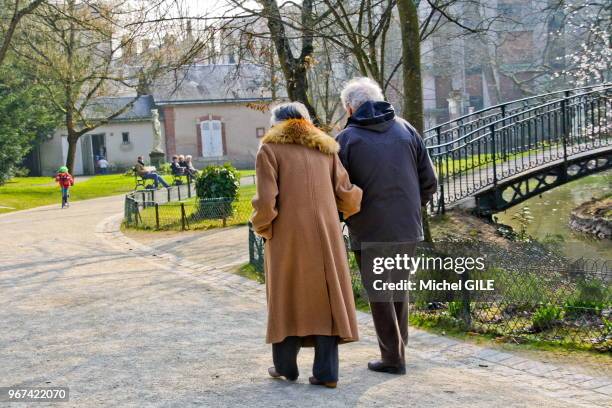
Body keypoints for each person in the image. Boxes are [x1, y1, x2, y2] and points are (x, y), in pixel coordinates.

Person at [251, 102, 362, 388]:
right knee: (325, 297)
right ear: (306, 121)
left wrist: (261, 226)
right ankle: (327, 374)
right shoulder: (326, 149)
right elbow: (346, 194)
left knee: (287, 295)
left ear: (278, 124)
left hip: (287, 236)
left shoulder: (270, 150)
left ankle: (285, 367)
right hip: (326, 234)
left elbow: (266, 202)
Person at [336, 77, 438, 375]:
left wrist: (348, 216)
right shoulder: (406, 129)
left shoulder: (347, 139)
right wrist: (410, 208)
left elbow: (340, 190)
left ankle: (393, 358)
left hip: (369, 229)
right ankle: (398, 350)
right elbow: (429, 181)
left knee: (380, 293)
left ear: (350, 108)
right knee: (398, 289)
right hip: (407, 226)